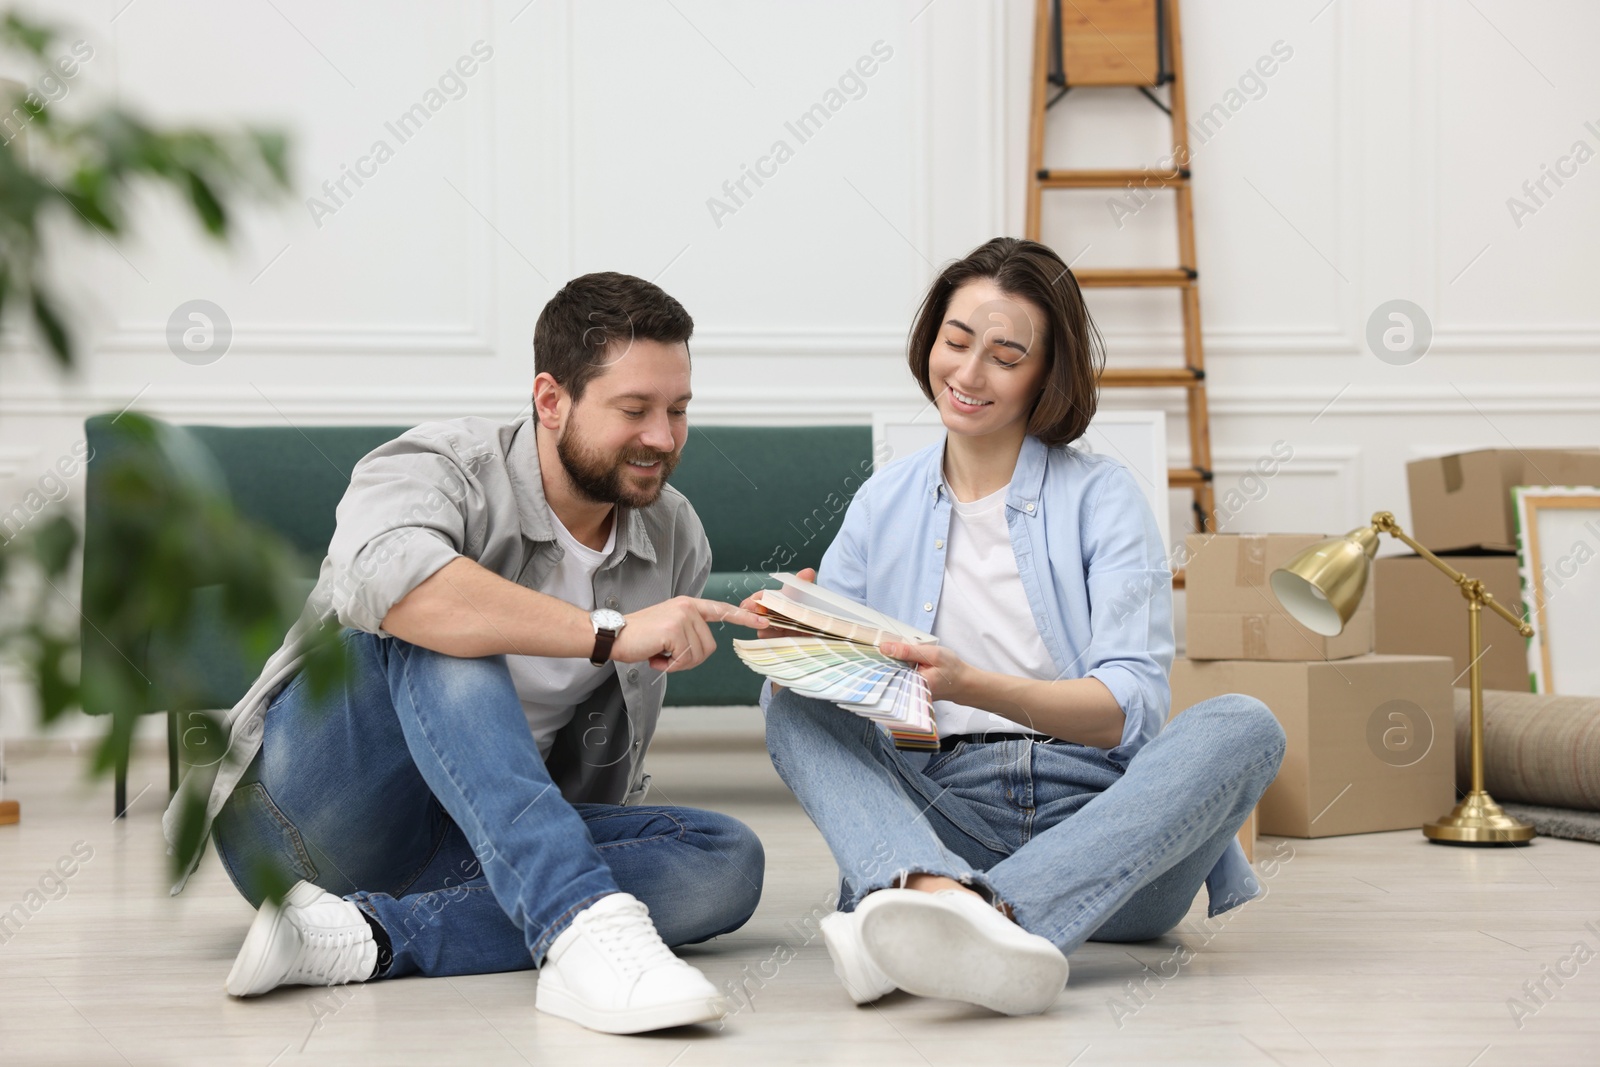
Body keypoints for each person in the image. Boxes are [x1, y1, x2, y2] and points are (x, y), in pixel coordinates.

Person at [163, 272, 768, 1035]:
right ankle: (577, 922)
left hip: (471, 843)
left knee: (726, 858)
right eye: (634, 410)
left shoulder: (673, 534)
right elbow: (395, 588)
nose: (663, 437)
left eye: (678, 410)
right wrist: (609, 631)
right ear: (551, 399)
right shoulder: (439, 465)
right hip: (302, 818)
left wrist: (797, 628)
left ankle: (371, 936)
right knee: (445, 621)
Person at [757, 237, 1287, 1016]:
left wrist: (972, 684)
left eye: (1006, 356)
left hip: (1112, 834)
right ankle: (936, 889)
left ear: (1047, 374)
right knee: (787, 699)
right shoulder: (884, 502)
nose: (969, 374)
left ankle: (947, 914)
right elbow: (843, 681)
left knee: (1245, 723)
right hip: (944, 812)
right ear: (931, 340)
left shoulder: (1104, 497)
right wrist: (806, 635)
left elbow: (1124, 708)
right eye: (957, 341)